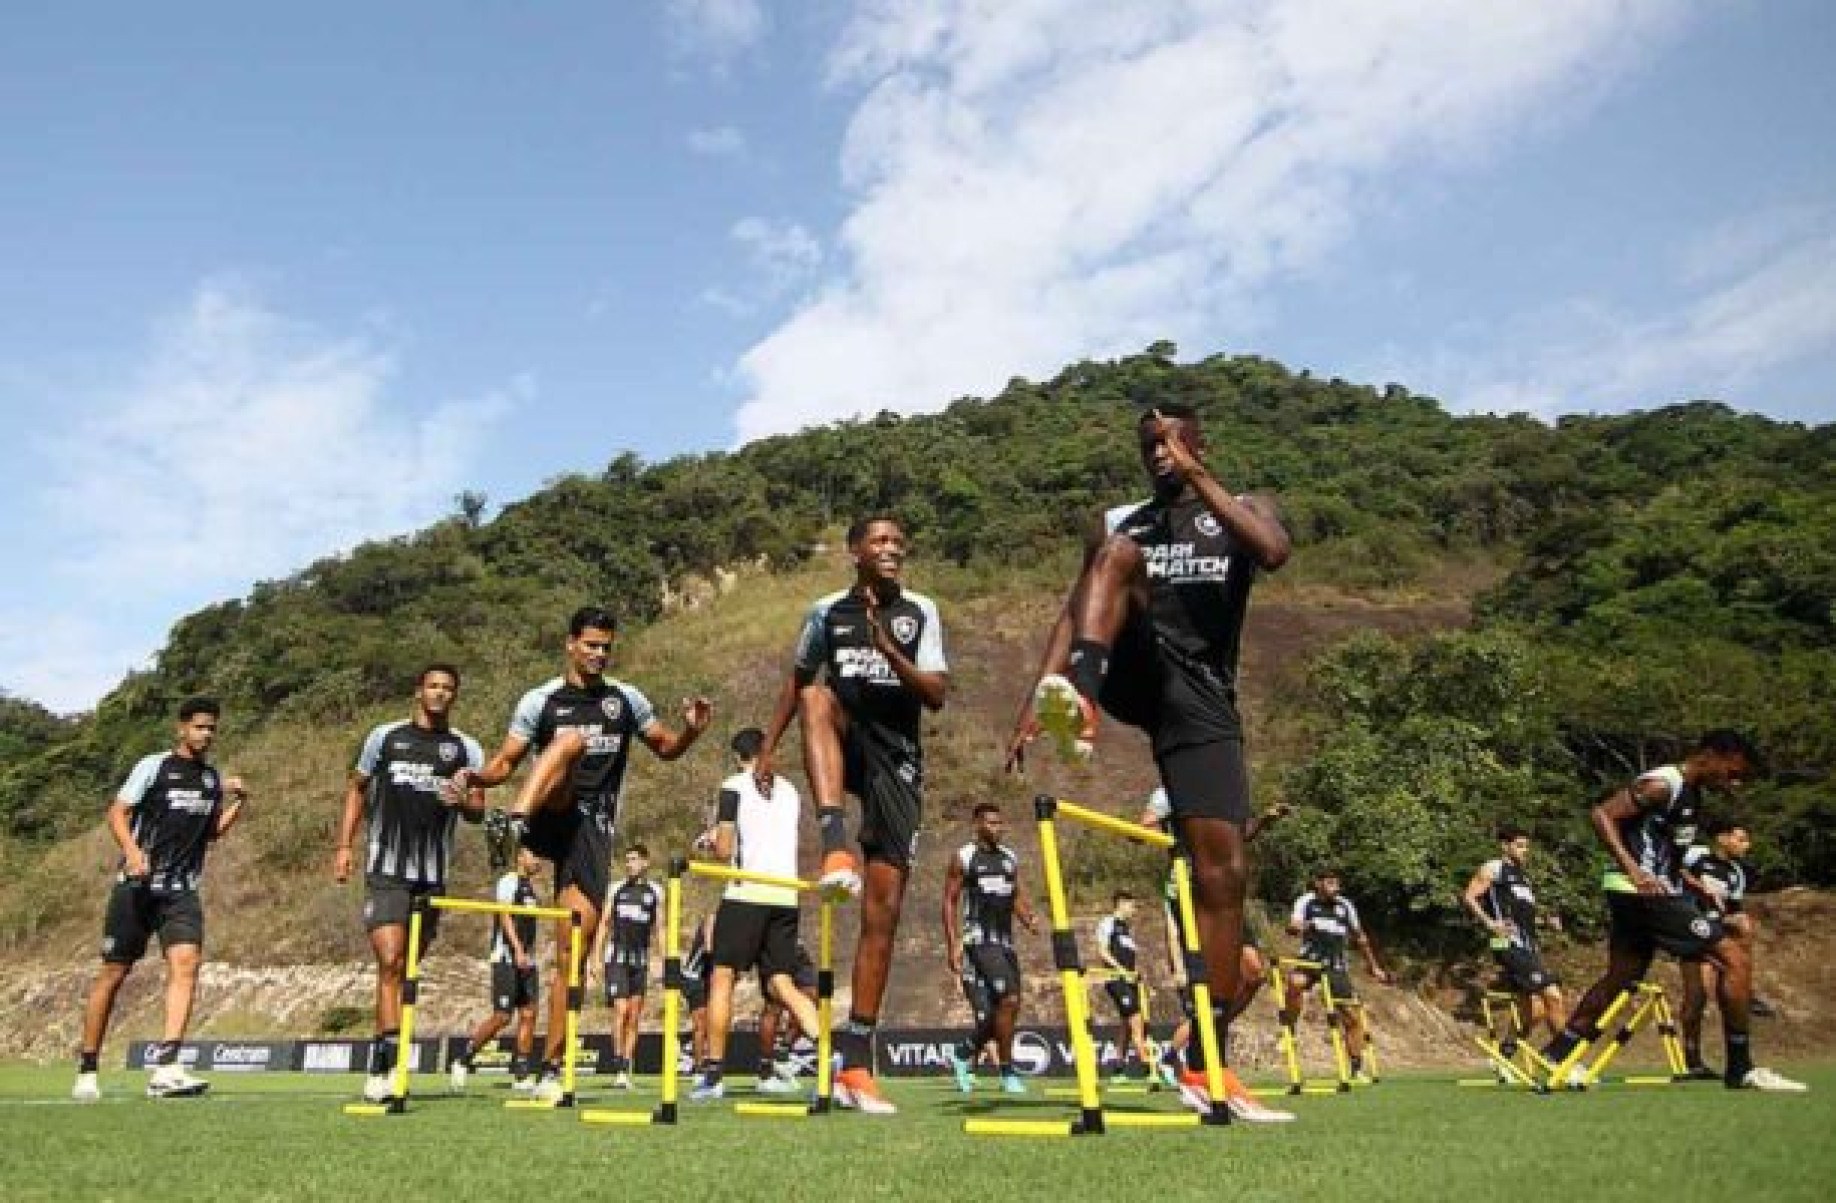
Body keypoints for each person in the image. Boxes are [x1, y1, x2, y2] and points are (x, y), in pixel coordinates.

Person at [1005, 403, 1292, 1122]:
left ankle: (1207, 1059)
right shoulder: (1119, 521)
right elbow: (1075, 612)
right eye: (1148, 444)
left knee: (1222, 872)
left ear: (1199, 442)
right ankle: (1085, 703)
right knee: (1117, 556)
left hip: (1201, 693)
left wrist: (1201, 477)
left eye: (1170, 441)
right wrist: (1041, 697)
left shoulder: (1242, 507)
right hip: (1133, 669)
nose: (1158, 452)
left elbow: (1273, 551)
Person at [460, 605, 712, 1102]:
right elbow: (506, 760)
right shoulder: (540, 701)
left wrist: (692, 732)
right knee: (570, 741)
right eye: (591, 645)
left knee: (572, 954)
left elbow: (665, 748)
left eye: (606, 647)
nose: (598, 654)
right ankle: (512, 826)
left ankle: (551, 1068)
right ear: (570, 643)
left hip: (590, 830)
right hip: (549, 807)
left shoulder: (626, 700)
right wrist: (476, 778)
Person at [758, 516, 949, 1115]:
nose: (893, 549)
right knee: (819, 695)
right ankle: (835, 840)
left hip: (898, 760)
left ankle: (858, 1059)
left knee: (883, 911)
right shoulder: (826, 613)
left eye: (898, 541)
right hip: (845, 740)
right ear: (854, 552)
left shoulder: (921, 611)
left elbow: (937, 694)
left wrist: (888, 648)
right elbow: (797, 681)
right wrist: (768, 745)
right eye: (881, 542)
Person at [1540, 732, 1804, 1091]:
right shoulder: (1665, 783)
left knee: (1622, 977)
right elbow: (1602, 814)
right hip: (1643, 892)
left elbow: (1663, 853)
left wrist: (1693, 885)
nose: (1736, 783)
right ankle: (1741, 1067)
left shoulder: (1691, 795)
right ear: (1712, 755)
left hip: (1642, 891)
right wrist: (1634, 870)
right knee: (1733, 956)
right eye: (1733, 772)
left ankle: (1558, 1053)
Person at [74, 696, 249, 1101]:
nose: (206, 734)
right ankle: (87, 1065)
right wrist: (134, 854)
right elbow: (117, 812)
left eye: (212, 728)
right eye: (200, 726)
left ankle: (167, 1066)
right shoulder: (153, 766)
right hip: (136, 888)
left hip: (181, 890)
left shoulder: (210, 780)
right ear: (182, 728)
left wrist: (239, 804)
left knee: (186, 963)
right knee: (113, 974)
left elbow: (210, 834)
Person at [333, 663, 486, 1103]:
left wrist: (465, 802)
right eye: (433, 686)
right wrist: (344, 846)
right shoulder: (385, 738)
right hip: (386, 870)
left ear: (454, 696)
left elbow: (477, 808)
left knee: (408, 969)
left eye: (448, 689)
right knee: (391, 961)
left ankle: (390, 1045)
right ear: (418, 691)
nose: (440, 694)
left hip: (432, 875)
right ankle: (381, 1064)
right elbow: (357, 788)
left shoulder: (466, 748)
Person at [691, 728, 823, 1102]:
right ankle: (826, 1052)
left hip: (747, 892)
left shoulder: (733, 785)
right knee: (781, 982)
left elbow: (724, 849)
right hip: (786, 896)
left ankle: (714, 1075)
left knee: (722, 977)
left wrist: (710, 840)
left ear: (738, 756)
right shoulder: (790, 791)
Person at [1140, 788, 1289, 1092]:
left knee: (1253, 973)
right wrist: (1156, 831)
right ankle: (1198, 1057)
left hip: (1224, 892)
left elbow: (1237, 837)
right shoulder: (1169, 792)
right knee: (1211, 977)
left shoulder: (1222, 789)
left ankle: (1192, 1040)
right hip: (1189, 890)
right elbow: (1142, 828)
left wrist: (1263, 821)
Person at [942, 802, 1039, 1095]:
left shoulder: (1009, 858)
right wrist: (953, 943)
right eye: (992, 823)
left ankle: (963, 1052)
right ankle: (1007, 1071)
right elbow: (949, 902)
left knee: (1006, 1008)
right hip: (979, 940)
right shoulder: (964, 857)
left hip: (1006, 942)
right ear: (977, 825)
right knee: (1008, 998)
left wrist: (1028, 919)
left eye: (1001, 823)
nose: (999, 828)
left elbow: (1016, 894)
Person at [1462, 827, 1565, 1057]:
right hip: (1507, 944)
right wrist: (1490, 923)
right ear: (1505, 846)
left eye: (1526, 846)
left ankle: (1504, 1056)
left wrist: (1546, 921)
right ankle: (1564, 1058)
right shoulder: (1494, 868)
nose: (1524, 850)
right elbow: (1469, 896)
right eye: (1519, 845)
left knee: (1535, 1010)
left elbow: (1523, 918)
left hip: (1528, 947)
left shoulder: (1524, 878)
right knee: (1552, 995)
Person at [449, 848, 544, 1094]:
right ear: (520, 858)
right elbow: (505, 918)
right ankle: (464, 1059)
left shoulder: (531, 889)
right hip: (506, 957)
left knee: (529, 1013)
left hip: (528, 959)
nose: (537, 860)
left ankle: (521, 1073)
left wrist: (530, 954)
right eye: (533, 856)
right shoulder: (508, 882)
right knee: (503, 1016)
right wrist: (517, 949)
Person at [1285, 872, 1391, 1082]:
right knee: (1295, 983)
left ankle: (1356, 1066)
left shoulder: (1345, 906)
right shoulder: (1306, 901)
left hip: (1336, 966)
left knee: (1351, 1016)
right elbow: (1292, 927)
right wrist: (1305, 926)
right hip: (1310, 961)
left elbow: (1360, 937)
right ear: (1318, 884)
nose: (1336, 887)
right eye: (1330, 883)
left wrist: (1374, 966)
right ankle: (1290, 1029)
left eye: (1337, 883)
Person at [1677, 819, 1755, 1080]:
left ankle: (1737, 1057)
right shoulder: (1696, 855)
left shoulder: (1737, 872)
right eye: (1740, 839)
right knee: (1696, 997)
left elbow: (1734, 907)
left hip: (1718, 935)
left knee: (1727, 996)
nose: (1746, 845)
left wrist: (1738, 920)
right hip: (1691, 931)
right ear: (1722, 838)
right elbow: (1673, 870)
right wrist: (1698, 887)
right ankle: (1691, 1059)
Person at [597, 844, 662, 1090]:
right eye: (627, 860)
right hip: (617, 957)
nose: (629, 864)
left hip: (641, 960)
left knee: (634, 1016)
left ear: (645, 863)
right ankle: (618, 1064)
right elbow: (604, 923)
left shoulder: (655, 891)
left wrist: (666, 958)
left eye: (634, 859)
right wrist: (596, 956)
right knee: (620, 1010)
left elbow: (660, 928)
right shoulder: (616, 889)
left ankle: (626, 1065)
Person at [1092, 892, 1156, 1081]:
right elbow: (1102, 952)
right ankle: (1149, 1069)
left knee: (1127, 1025)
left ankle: (1118, 1068)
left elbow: (1131, 961)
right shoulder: (1107, 923)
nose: (1133, 910)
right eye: (1131, 905)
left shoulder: (1126, 929)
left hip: (1129, 981)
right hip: (1116, 979)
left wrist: (1143, 984)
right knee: (1137, 1022)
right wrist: (1120, 970)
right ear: (1120, 904)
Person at [755, 943, 820, 1094]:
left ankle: (782, 1052)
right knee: (773, 1005)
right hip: (769, 947)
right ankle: (765, 1073)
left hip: (792, 943)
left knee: (812, 996)